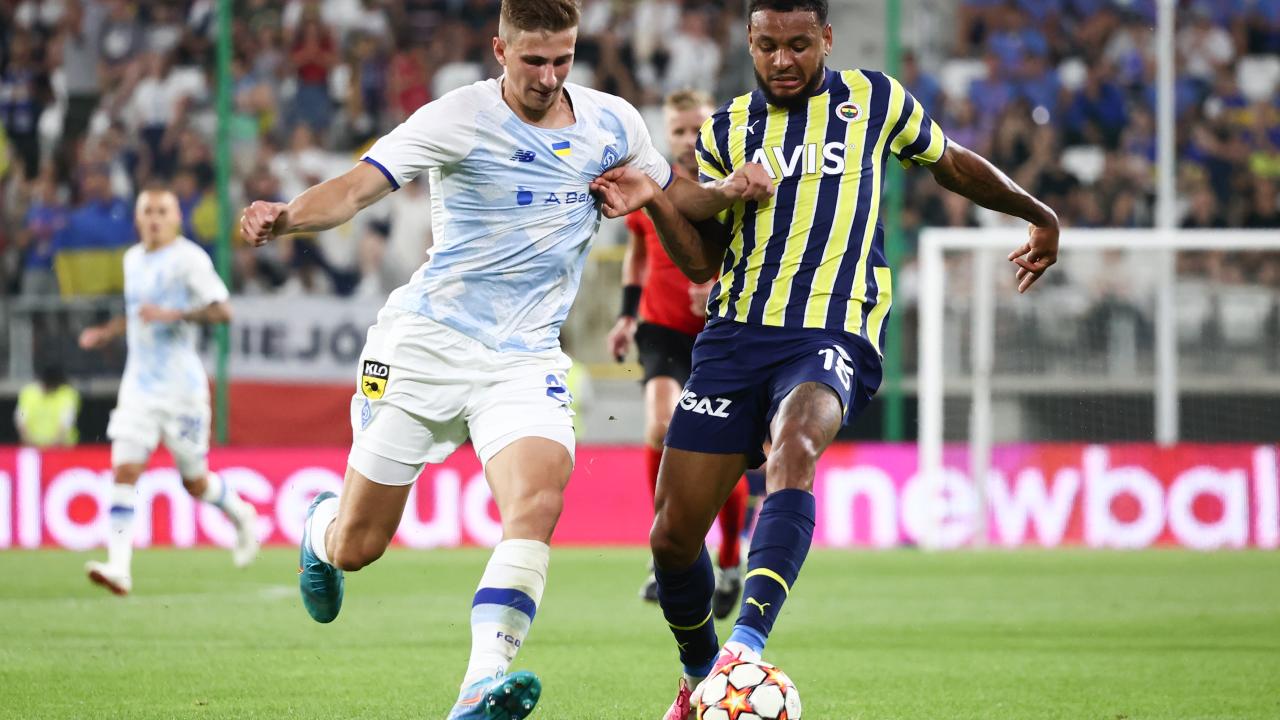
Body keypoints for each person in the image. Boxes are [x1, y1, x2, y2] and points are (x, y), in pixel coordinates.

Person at [239, 2, 760, 717]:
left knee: (538, 502)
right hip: (426, 345)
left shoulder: (613, 124)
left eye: (562, 60)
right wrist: (286, 216)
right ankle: (319, 532)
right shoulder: (459, 117)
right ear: (500, 50)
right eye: (533, 60)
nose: (548, 77)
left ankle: (480, 685)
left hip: (525, 357)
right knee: (360, 545)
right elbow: (358, 187)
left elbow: (680, 198)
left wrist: (728, 191)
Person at [589, 2, 1060, 717]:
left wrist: (1037, 213)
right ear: (749, 41)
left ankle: (744, 647)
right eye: (768, 45)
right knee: (672, 537)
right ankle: (701, 675)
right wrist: (658, 203)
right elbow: (705, 260)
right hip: (735, 334)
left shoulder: (874, 99)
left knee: (797, 445)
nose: (783, 60)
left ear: (827, 39)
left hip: (833, 330)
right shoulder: (725, 130)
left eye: (799, 44)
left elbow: (951, 163)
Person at [605, 88, 753, 616]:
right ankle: (664, 548)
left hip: (721, 329)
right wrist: (627, 314)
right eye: (679, 131)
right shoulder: (651, 182)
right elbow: (639, 252)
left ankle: (730, 556)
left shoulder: (732, 185)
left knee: (721, 454)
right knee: (660, 425)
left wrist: (719, 287)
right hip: (662, 327)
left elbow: (756, 252)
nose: (689, 140)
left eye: (698, 129)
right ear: (665, 135)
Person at [79, 188, 260, 596]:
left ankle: (242, 515)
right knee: (125, 470)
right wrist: (107, 332)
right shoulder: (132, 259)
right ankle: (119, 568)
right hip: (138, 388)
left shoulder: (189, 260)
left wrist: (173, 314)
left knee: (195, 482)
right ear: (137, 219)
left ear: (177, 218)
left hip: (181, 391)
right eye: (148, 212)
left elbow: (223, 311)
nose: (155, 219)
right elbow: (137, 313)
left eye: (162, 211)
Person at [14, 363, 81, 447]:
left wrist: (53, 445)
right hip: (32, 448)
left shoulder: (67, 393)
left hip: (62, 448)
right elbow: (21, 419)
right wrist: (29, 441)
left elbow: (66, 421)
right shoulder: (29, 392)